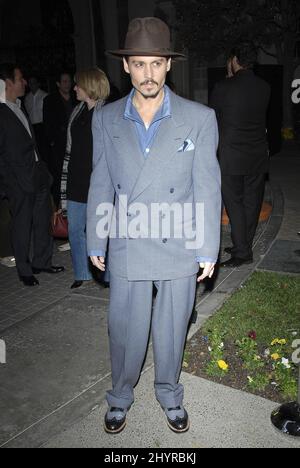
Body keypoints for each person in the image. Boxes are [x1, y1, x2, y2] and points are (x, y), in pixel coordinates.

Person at [87, 17, 221, 434]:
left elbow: (207, 187)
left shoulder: (199, 118)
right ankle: (120, 396)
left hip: (177, 239)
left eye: (156, 64)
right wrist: (96, 236)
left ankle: (169, 393)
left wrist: (207, 248)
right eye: (140, 64)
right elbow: (100, 181)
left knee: (171, 329)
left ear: (168, 65)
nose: (148, 74)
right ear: (126, 67)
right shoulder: (106, 119)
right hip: (128, 239)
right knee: (124, 327)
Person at [0, 64, 64, 286]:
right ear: (7, 83)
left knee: (42, 220)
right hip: (18, 181)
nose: (25, 82)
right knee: (22, 225)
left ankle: (42, 262)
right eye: (20, 79)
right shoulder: (1, 111)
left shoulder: (19, 106)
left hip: (37, 174)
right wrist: (8, 183)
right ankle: (24, 270)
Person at [210, 45, 271, 267]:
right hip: (256, 155)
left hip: (231, 156)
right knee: (252, 203)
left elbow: (215, 120)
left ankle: (243, 252)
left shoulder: (223, 87)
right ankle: (242, 244)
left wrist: (228, 79)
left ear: (234, 60)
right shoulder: (264, 87)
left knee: (234, 203)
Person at [60, 68, 110, 290]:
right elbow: (70, 151)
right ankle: (82, 273)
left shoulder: (106, 113)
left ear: (89, 86)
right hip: (75, 181)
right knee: (75, 229)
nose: (74, 88)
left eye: (78, 84)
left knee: (99, 231)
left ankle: (106, 273)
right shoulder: (77, 112)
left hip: (97, 183)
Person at [43, 72, 77, 209]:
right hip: (59, 145)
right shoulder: (50, 100)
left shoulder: (76, 97)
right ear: (58, 84)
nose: (67, 84)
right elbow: (48, 124)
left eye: (69, 81)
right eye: (64, 81)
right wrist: (52, 141)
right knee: (60, 178)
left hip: (75, 144)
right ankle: (60, 208)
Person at [24, 76, 48, 162]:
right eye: (30, 83)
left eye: (34, 82)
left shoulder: (45, 96)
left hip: (43, 126)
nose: (32, 85)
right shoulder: (27, 98)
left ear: (38, 84)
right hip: (32, 127)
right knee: (36, 150)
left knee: (45, 150)